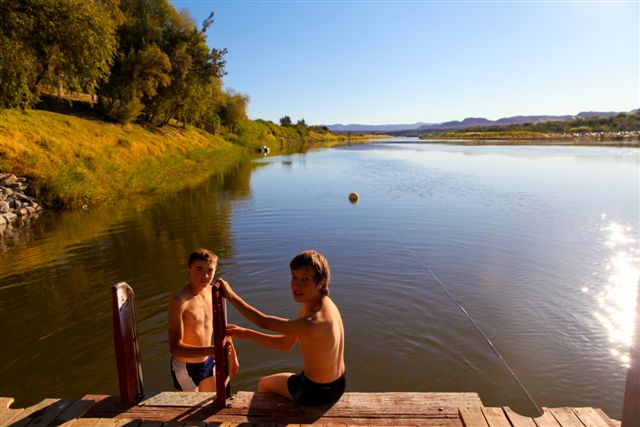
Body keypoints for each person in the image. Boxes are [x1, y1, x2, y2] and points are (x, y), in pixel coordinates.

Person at [217, 250, 345, 406]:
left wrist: (230, 295)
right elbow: (285, 344)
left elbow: (263, 321)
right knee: (278, 382)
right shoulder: (321, 304)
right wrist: (247, 333)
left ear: (322, 282)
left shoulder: (313, 322)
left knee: (264, 384)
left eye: (305, 279)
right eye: (294, 277)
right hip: (337, 384)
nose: (296, 285)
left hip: (315, 392)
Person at [168, 248, 239, 392]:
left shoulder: (213, 293)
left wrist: (233, 357)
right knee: (191, 411)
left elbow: (222, 327)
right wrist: (215, 350)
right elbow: (175, 348)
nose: (205, 275)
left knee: (213, 404)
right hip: (185, 367)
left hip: (208, 362)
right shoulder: (179, 301)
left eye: (210, 270)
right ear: (189, 270)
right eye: (199, 269)